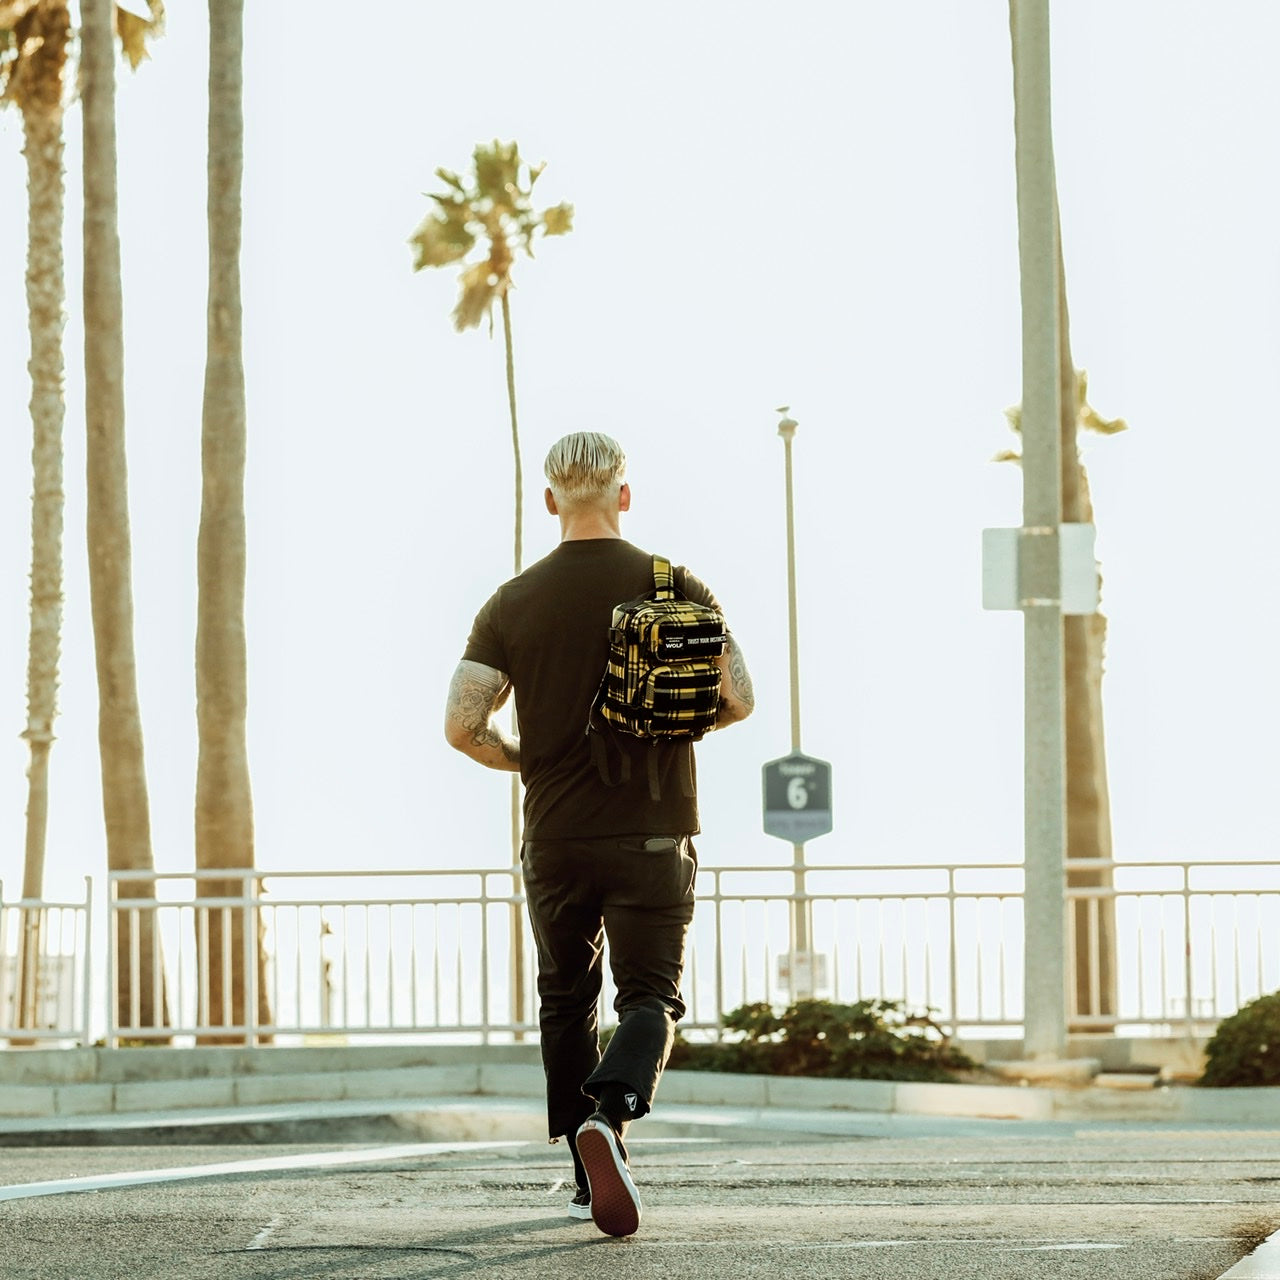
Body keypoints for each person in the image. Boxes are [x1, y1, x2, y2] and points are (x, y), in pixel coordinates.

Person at [444, 431, 754, 1237]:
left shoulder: (511, 601)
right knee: (649, 996)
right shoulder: (674, 584)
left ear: (550, 500)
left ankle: (585, 1178)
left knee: (565, 997)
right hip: (654, 828)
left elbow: (462, 726)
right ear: (625, 495)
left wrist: (529, 759)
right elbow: (740, 697)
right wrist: (675, 732)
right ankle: (607, 1116)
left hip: (555, 834)